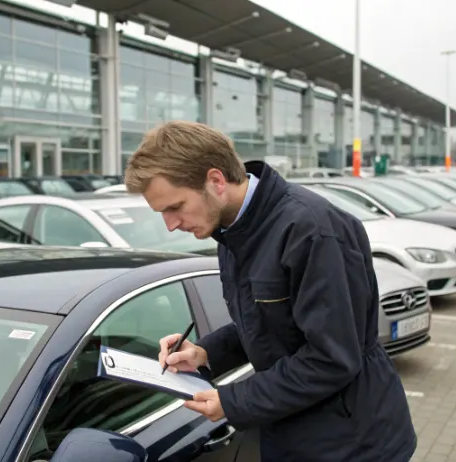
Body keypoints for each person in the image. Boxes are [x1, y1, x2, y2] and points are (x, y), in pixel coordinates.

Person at [124, 121, 416, 461]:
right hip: (290, 431)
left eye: (175, 207)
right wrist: (205, 353)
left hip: (351, 442)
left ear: (215, 181)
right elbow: (269, 322)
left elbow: (332, 357)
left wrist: (233, 401)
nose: (171, 224)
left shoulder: (312, 230)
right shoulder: (230, 232)